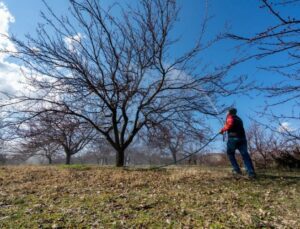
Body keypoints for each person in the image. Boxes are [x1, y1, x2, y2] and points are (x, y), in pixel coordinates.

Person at [220, 108, 256, 178]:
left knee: (230, 153)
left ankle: (236, 170)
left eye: (227, 112)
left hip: (233, 138)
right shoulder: (239, 119)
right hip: (242, 139)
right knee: (245, 155)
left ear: (229, 112)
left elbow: (230, 124)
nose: (226, 113)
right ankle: (251, 172)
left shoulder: (230, 117)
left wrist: (222, 130)